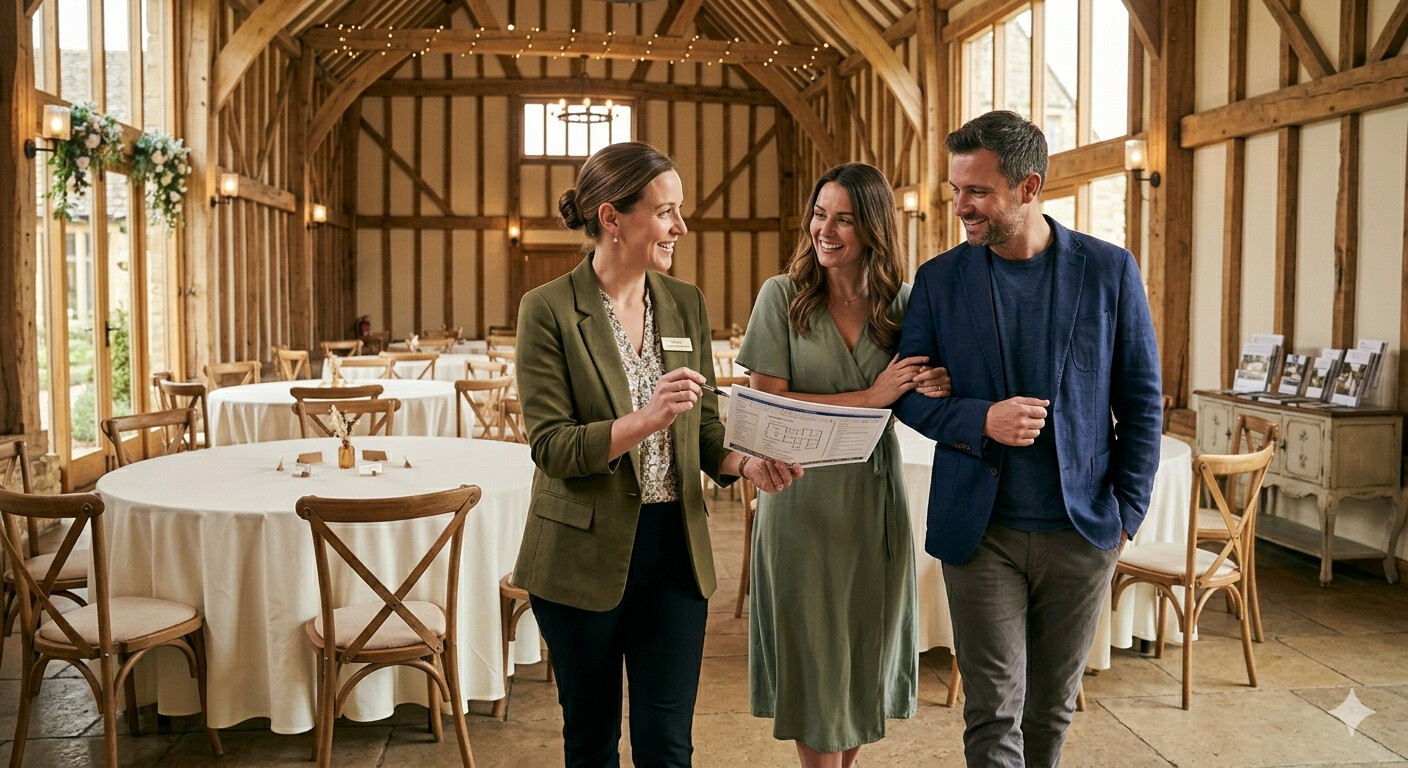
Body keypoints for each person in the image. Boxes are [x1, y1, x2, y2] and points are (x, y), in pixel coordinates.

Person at [511, 141, 803, 768]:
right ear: (611, 216)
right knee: (590, 741)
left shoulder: (684, 304)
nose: (681, 227)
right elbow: (552, 447)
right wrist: (644, 420)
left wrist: (747, 464)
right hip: (579, 555)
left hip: (675, 551)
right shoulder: (549, 310)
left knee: (668, 745)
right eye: (666, 211)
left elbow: (702, 435)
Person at [893, 111, 1162, 768]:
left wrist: (1125, 515)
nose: (960, 207)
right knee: (993, 712)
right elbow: (905, 393)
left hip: (1082, 533)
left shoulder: (1109, 270)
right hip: (979, 536)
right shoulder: (939, 280)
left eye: (976, 192)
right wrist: (979, 418)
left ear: (1028, 187)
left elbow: (1141, 401)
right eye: (956, 190)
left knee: (1051, 709)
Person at [738, 162, 948, 768]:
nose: (825, 230)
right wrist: (870, 397)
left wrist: (932, 381)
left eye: (844, 219)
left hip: (874, 500)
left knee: (862, 650)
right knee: (815, 656)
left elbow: (918, 392)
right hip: (800, 495)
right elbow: (766, 405)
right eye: (819, 214)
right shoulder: (782, 297)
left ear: (873, 228)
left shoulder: (904, 306)